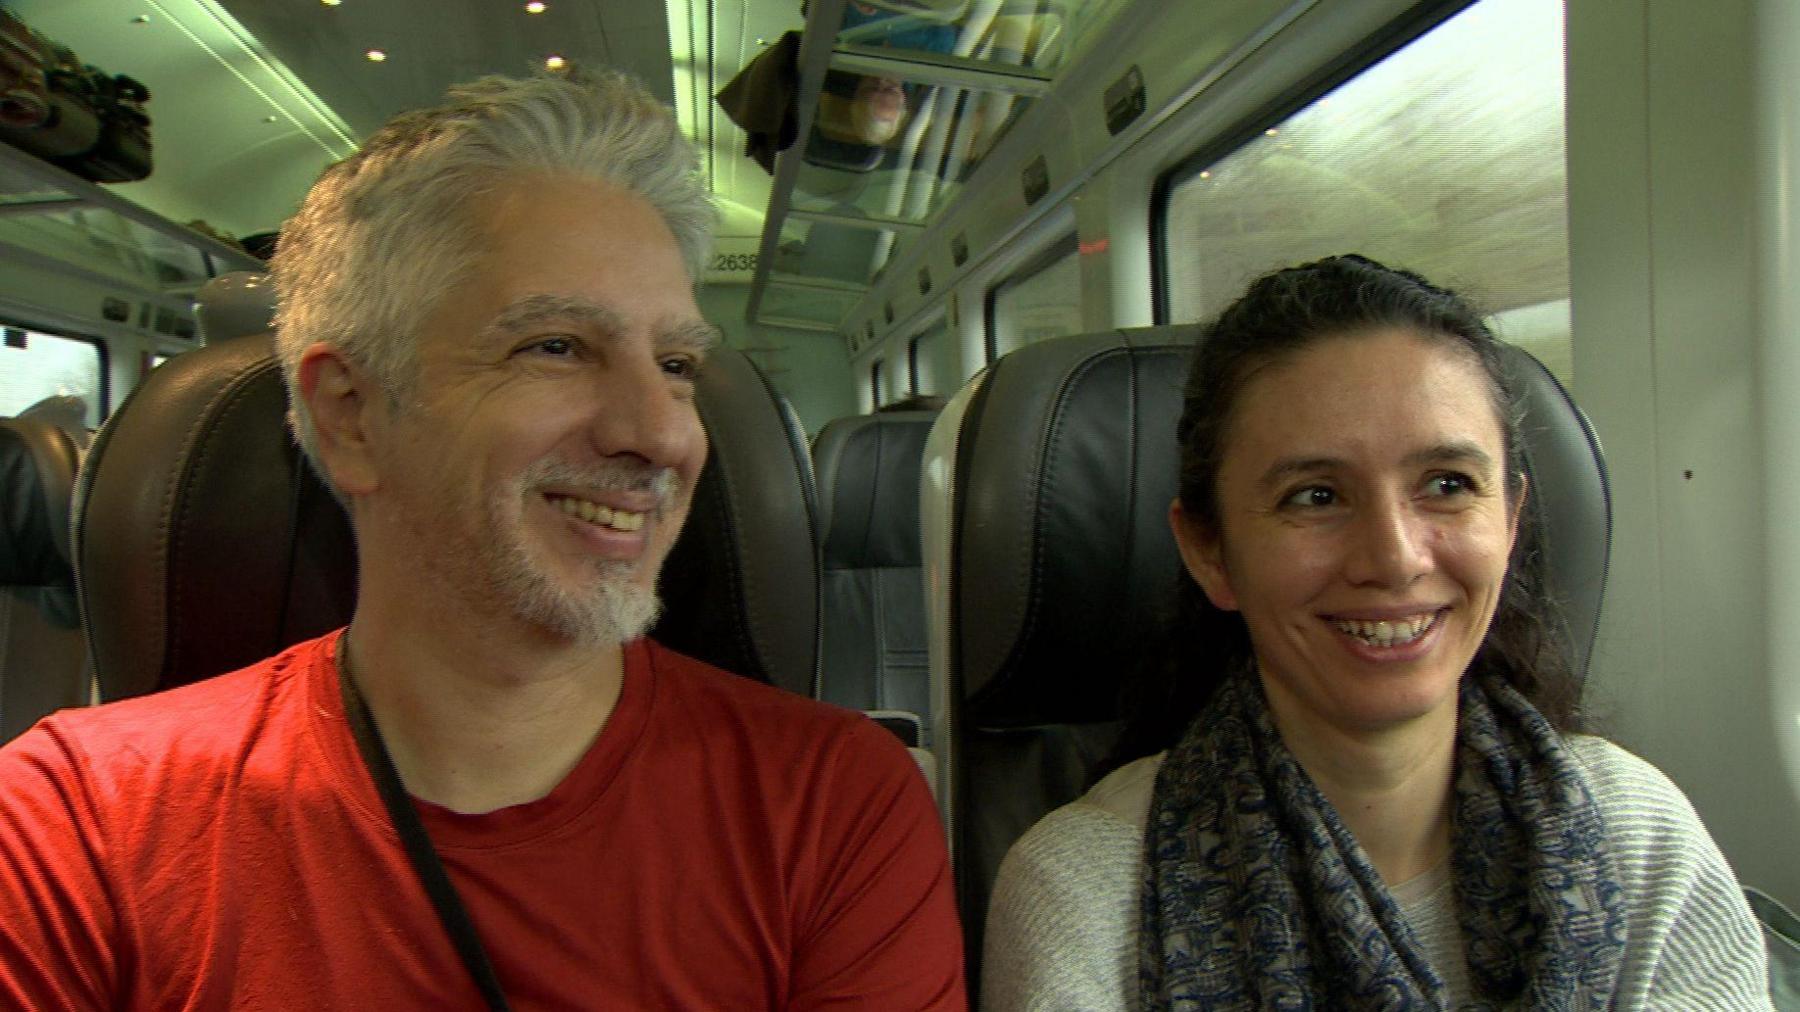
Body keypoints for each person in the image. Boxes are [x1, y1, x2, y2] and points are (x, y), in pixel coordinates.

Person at [0, 71, 965, 1009]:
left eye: (675, 364)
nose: (664, 432)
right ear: (350, 417)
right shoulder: (71, 824)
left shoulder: (836, 808)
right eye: (555, 347)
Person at [981, 255, 1772, 1010]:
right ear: (1210, 552)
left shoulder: (1636, 837)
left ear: (1510, 521)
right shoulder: (1089, 890)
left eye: (1447, 485)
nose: (1394, 559)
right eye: (1316, 496)